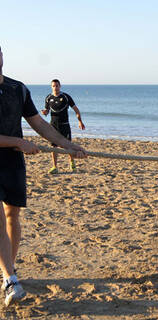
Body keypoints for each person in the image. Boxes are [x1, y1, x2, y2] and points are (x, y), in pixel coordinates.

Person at [0, 46, 86, 306]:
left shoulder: (18, 89)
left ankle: (7, 271)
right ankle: (11, 278)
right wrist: (17, 141)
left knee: (11, 215)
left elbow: (38, 122)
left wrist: (66, 145)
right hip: (11, 151)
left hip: (13, 161)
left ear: (2, 56)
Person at [41, 79, 85, 174]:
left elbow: (76, 110)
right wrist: (45, 112)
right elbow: (47, 110)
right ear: (51, 87)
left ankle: (72, 162)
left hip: (64, 125)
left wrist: (80, 121)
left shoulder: (65, 97)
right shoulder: (48, 98)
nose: (55, 87)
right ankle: (55, 166)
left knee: (68, 145)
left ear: (60, 86)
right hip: (53, 126)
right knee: (54, 146)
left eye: (57, 85)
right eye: (53, 86)